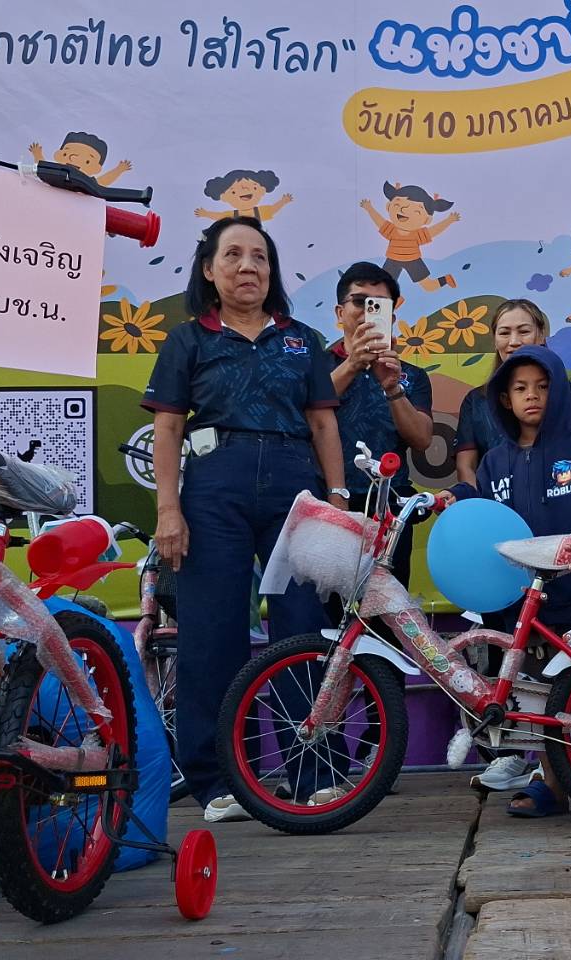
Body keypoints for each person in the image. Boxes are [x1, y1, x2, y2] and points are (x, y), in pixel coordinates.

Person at [141, 217, 347, 823]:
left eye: (259, 256)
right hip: (214, 488)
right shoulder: (188, 340)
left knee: (303, 627)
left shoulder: (301, 339)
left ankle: (314, 771)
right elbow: (167, 428)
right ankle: (220, 780)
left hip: (294, 485)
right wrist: (168, 509)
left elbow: (323, 422)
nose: (248, 266)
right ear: (209, 269)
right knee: (212, 632)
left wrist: (337, 498)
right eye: (232, 255)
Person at [440, 346, 571, 813]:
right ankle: (555, 786)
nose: (532, 396)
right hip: (520, 602)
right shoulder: (494, 462)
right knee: (538, 694)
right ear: (504, 399)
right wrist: (455, 498)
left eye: (543, 386)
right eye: (520, 388)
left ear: (560, 393)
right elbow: (480, 508)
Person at [330, 261, 435, 587]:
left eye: (378, 305)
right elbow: (305, 414)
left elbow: (422, 439)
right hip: (332, 503)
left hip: (390, 510)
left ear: (390, 316)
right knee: (328, 608)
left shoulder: (411, 375)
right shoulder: (316, 366)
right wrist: (352, 364)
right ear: (340, 313)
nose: (367, 311)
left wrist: (392, 388)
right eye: (359, 302)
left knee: (387, 604)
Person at [454, 300, 550, 485]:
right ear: (495, 340)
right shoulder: (476, 401)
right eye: (505, 333)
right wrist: (484, 502)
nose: (514, 342)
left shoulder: (563, 393)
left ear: (541, 335)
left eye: (524, 331)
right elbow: (465, 467)